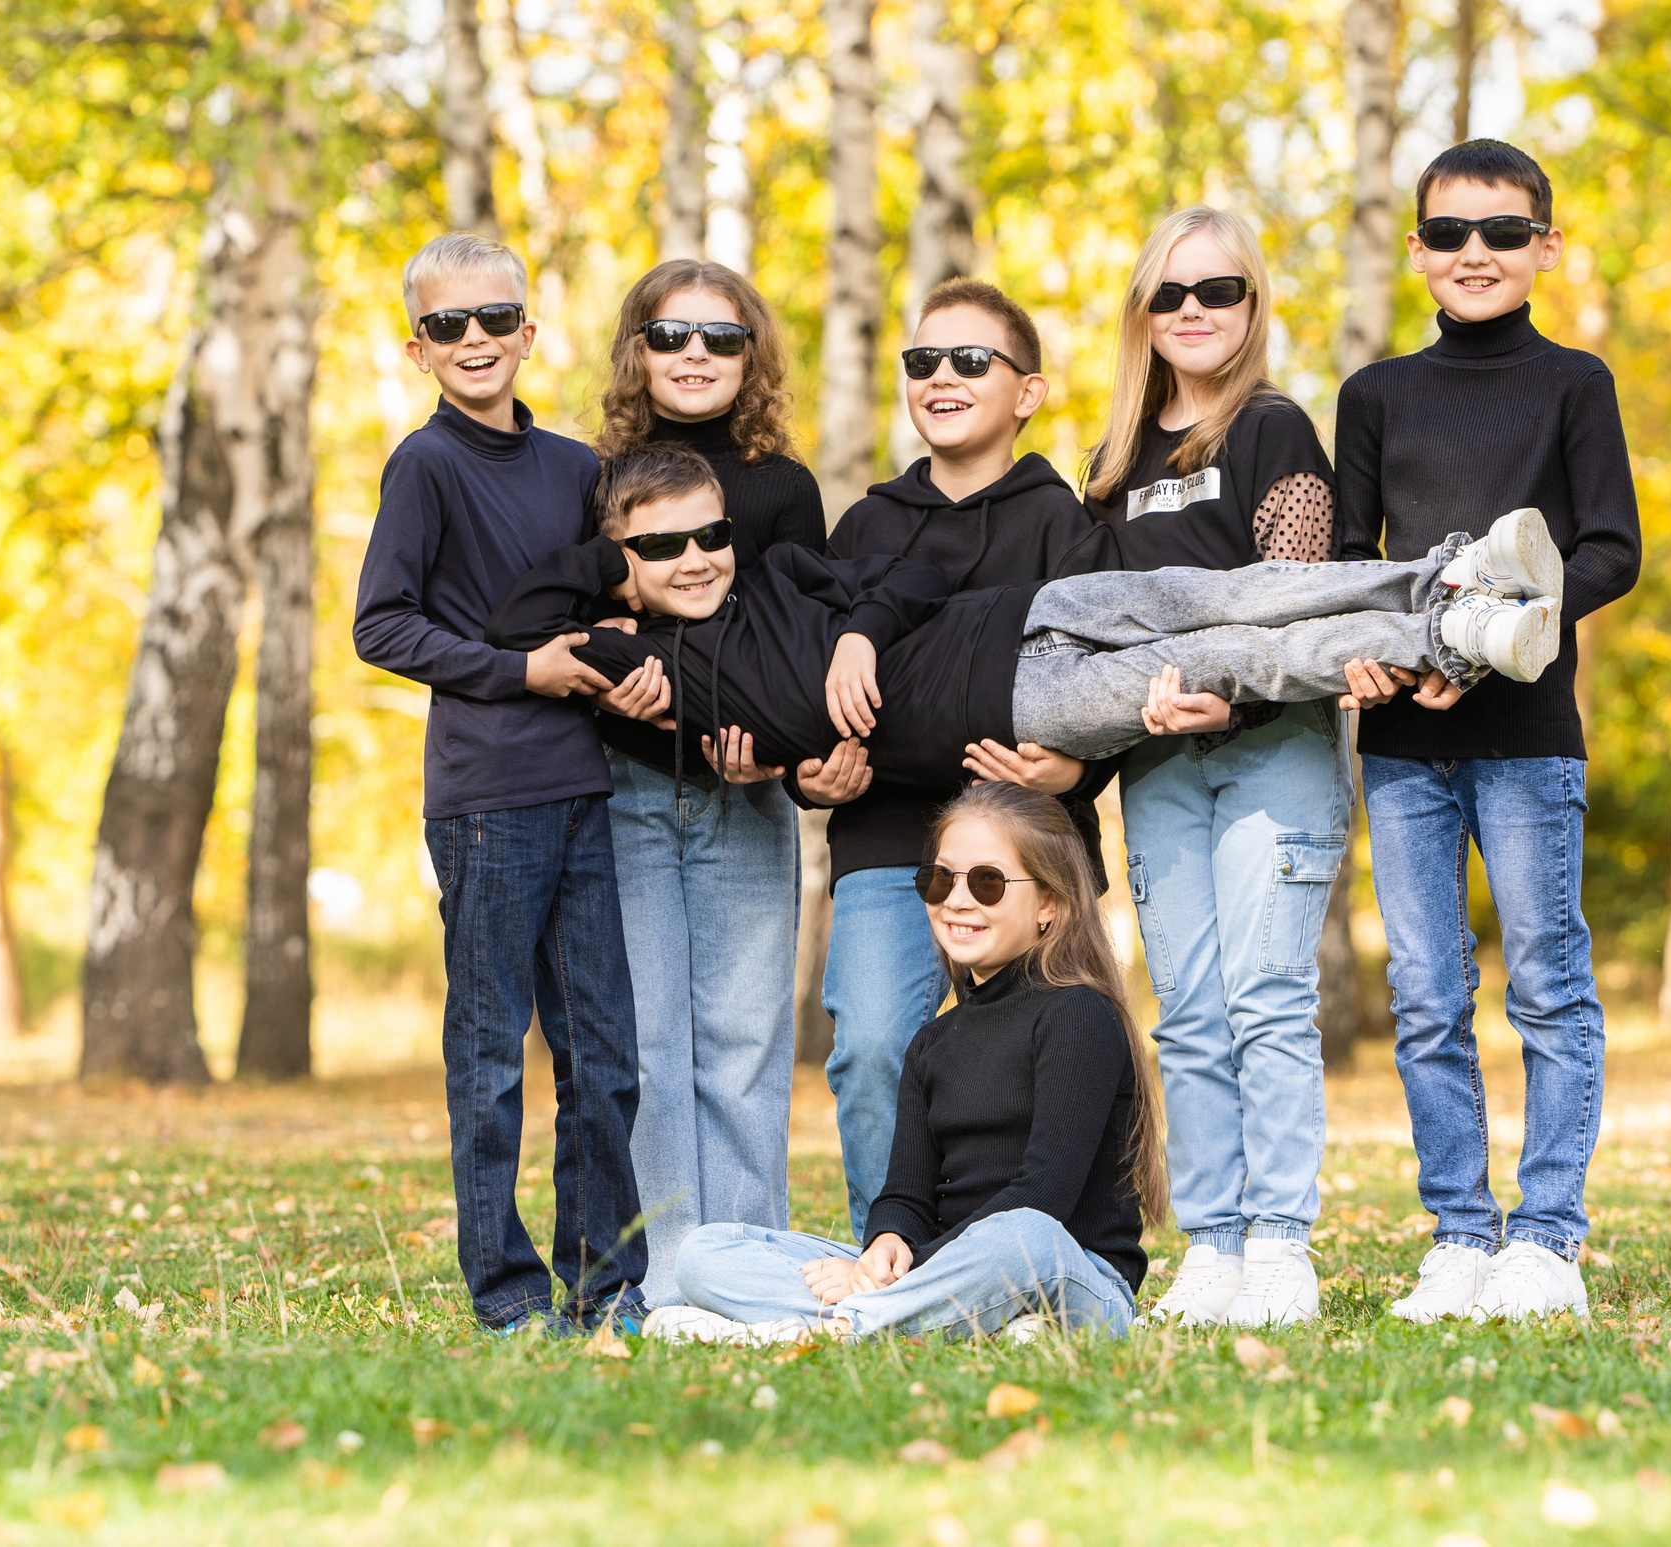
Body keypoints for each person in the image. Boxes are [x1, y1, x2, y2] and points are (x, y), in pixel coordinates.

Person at [487, 443, 1556, 796]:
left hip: (1022, 610)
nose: (693, 560)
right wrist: (613, 572)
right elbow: (510, 623)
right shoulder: (649, 671)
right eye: (659, 549)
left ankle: (1445, 573)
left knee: (1228, 588)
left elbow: (905, 578)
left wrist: (858, 632)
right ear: (620, 565)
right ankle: (1449, 638)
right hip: (1013, 708)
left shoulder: (774, 573)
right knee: (1230, 657)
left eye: (707, 535)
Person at [1333, 139, 1643, 1324]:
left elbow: (1610, 549)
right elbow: (1347, 564)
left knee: (1548, 984)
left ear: (1544, 248)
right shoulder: (1374, 396)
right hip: (1402, 744)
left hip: (1526, 736)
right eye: (1451, 233)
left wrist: (1492, 640)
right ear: (1416, 250)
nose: (1476, 253)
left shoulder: (1575, 385)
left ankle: (1547, 1238)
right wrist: (1385, 653)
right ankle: (1460, 1235)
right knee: (1424, 994)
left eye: (1503, 232)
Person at [348, 233, 652, 1335]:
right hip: (484, 801)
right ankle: (509, 1296)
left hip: (584, 787)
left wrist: (622, 638)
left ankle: (607, 1287)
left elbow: (607, 592)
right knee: (488, 1061)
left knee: (604, 1060)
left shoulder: (576, 470)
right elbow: (381, 624)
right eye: (447, 325)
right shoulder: (424, 467)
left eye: (493, 320)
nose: (473, 339)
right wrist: (519, 671)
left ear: (528, 333)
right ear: (419, 349)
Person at [1078, 206, 1346, 1328]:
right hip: (1159, 767)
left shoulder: (1276, 430)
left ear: (1252, 304)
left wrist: (1229, 693)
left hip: (1273, 750)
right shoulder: (1111, 464)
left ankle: (1279, 1245)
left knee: (1265, 998)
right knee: (1187, 1012)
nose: (1193, 311)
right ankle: (1216, 1245)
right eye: (1171, 293)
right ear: (1143, 311)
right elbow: (1094, 622)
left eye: (1218, 290)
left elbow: (1296, 598)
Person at [646, 783, 1168, 1343]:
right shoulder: (932, 1042)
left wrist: (911, 1268)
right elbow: (906, 1193)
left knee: (1023, 1234)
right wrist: (887, 1242)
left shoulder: (1079, 1015)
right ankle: (923, 1321)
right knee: (704, 1251)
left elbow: (1044, 1197)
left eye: (987, 882)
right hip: (939, 1273)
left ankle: (833, 1329)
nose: (956, 901)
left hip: (1069, 1274)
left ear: (1049, 904)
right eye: (940, 879)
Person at [819, 277, 1118, 1240]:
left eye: (970, 360)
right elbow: (805, 684)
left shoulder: (1067, 526)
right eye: (923, 360)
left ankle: (1034, 1258)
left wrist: (1076, 774)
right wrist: (805, 771)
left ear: (1027, 391)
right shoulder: (864, 526)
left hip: (1031, 839)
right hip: (887, 832)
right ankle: (890, 1262)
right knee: (872, 1047)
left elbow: (1105, 683)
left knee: (1047, 1061)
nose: (941, 376)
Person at [588, 260, 826, 1308]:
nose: (694, 354)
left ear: (751, 354)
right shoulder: (593, 480)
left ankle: (749, 1276)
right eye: (670, 335)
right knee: (649, 1045)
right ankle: (672, 1281)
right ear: (636, 350)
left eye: (720, 337)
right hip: (624, 792)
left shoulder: (785, 489)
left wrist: (774, 745)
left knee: (744, 1044)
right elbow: (576, 622)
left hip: (747, 797)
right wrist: (620, 685)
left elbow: (798, 638)